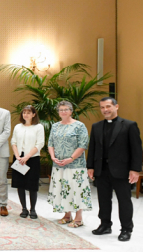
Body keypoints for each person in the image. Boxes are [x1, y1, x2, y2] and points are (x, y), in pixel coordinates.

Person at [87, 97, 142, 241]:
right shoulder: (96, 126)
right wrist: (90, 167)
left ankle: (126, 229)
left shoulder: (129, 125)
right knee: (103, 200)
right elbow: (92, 148)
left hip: (122, 170)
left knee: (124, 201)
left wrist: (135, 170)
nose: (105, 110)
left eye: (108, 106)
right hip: (101, 170)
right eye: (102, 107)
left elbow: (136, 150)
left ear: (116, 107)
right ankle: (105, 225)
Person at [47, 101, 92, 228]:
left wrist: (71, 159)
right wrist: (52, 157)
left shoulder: (79, 126)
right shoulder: (55, 126)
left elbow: (83, 145)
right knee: (63, 189)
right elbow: (50, 143)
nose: (63, 112)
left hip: (75, 165)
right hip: (59, 164)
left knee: (77, 190)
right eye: (61, 110)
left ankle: (78, 218)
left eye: (66, 109)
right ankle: (67, 215)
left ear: (71, 111)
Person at [10, 105, 45, 219]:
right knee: (20, 185)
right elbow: (13, 142)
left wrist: (27, 157)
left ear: (34, 114)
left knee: (32, 185)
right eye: (24, 112)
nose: (26, 114)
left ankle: (33, 209)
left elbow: (40, 144)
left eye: (28, 112)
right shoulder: (17, 127)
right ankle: (24, 209)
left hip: (32, 159)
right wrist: (17, 156)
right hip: (19, 158)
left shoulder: (38, 127)